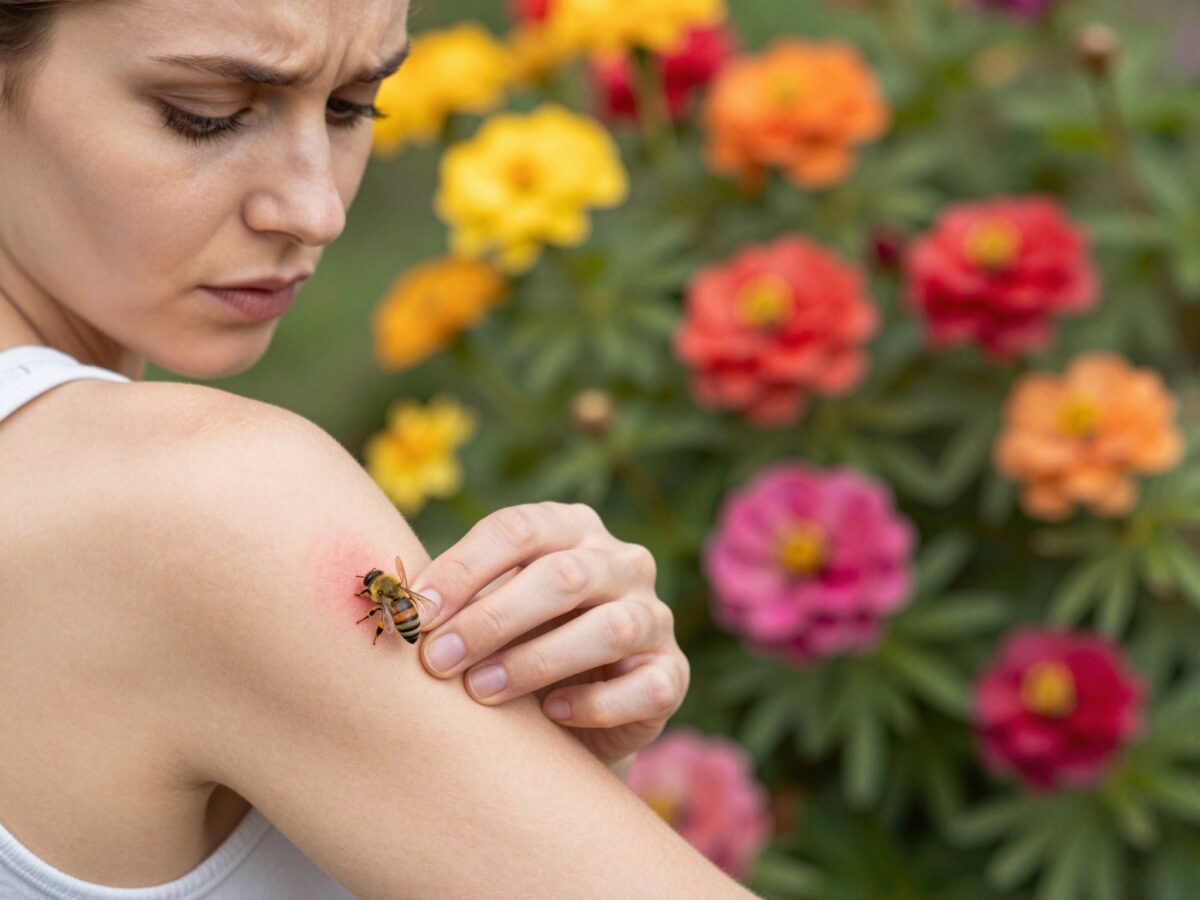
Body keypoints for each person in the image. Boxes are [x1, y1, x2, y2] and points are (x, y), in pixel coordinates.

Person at [0, 0, 760, 897]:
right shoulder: (208, 502)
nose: (317, 210)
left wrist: (546, 779)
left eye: (354, 106)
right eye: (205, 113)